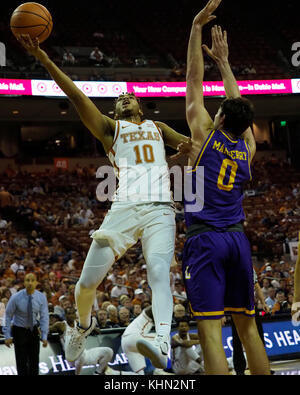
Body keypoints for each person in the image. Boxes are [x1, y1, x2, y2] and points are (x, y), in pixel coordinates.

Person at [16, 33, 190, 366]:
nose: (126, 97)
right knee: (86, 284)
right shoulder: (111, 129)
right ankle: (82, 327)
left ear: (140, 105)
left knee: (158, 273)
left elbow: (194, 146)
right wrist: (45, 60)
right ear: (115, 109)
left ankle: (162, 341)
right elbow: (75, 94)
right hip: (124, 207)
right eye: (121, 97)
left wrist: (189, 147)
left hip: (160, 210)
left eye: (131, 96)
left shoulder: (158, 127)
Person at [182, 0, 270, 374]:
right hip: (237, 239)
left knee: (210, 333)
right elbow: (239, 107)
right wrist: (225, 62)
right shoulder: (246, 149)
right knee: (248, 328)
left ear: (219, 116)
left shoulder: (204, 135)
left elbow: (192, 80)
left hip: (205, 240)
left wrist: (195, 27)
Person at [3, 273, 49, 375]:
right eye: (27, 280)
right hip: (19, 330)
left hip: (33, 331)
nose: (30, 283)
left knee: (34, 361)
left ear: (36, 282)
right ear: (24, 282)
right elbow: (8, 315)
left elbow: (44, 317)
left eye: (33, 280)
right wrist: (7, 335)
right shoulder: (16, 297)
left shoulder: (41, 297)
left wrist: (45, 335)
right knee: (21, 361)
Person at [49, 306, 113, 375]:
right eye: (69, 314)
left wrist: (93, 328)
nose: (71, 315)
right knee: (80, 355)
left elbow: (95, 330)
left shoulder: (79, 323)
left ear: (75, 314)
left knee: (108, 351)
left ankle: (97, 372)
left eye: (72, 313)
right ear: (65, 315)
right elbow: (46, 330)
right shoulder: (61, 325)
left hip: (84, 355)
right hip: (71, 358)